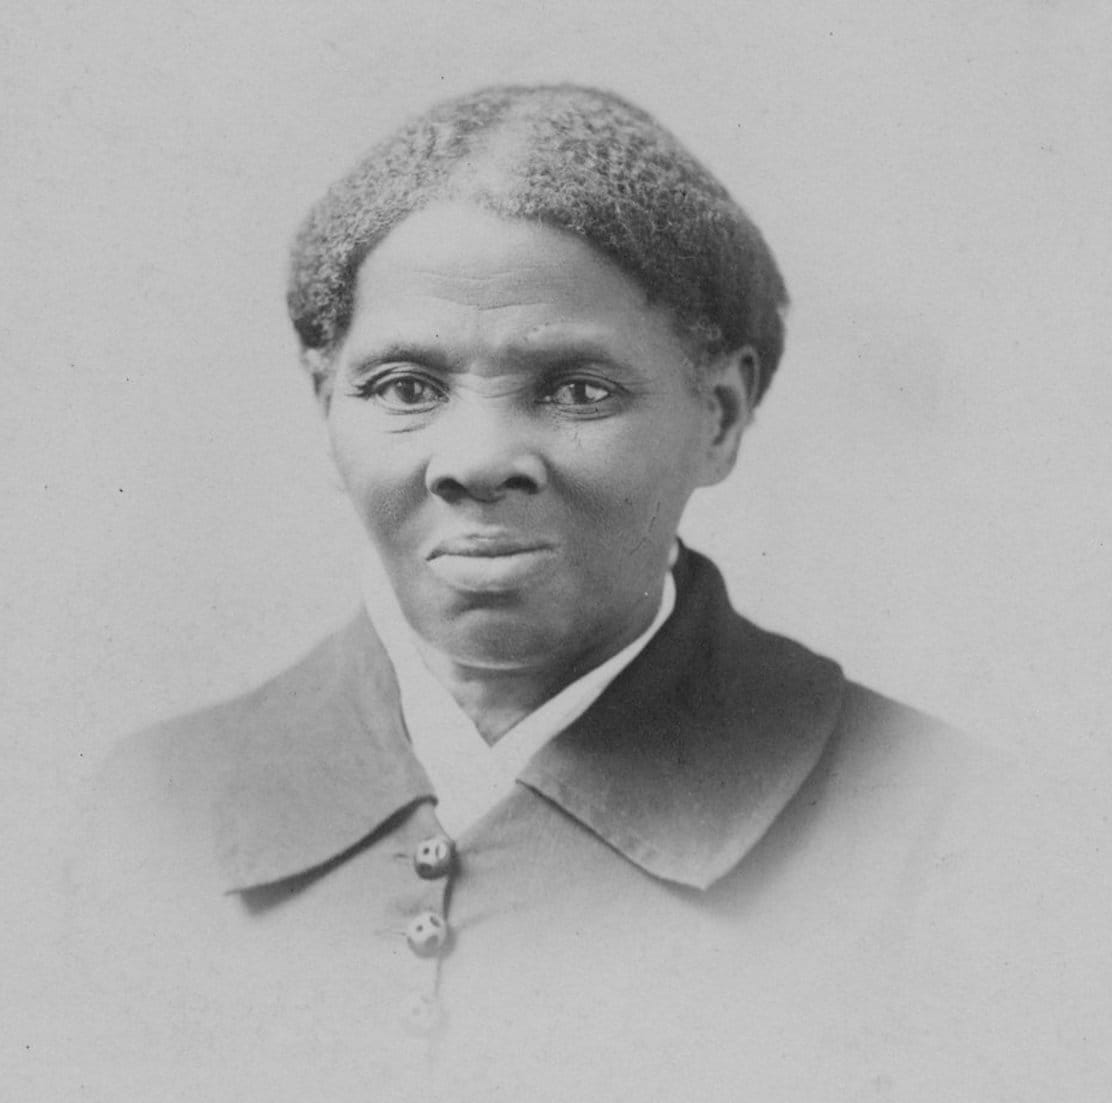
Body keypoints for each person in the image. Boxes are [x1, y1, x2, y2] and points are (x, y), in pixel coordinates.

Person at [71, 85, 1104, 1101]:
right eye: (405, 388)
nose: (476, 460)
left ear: (721, 416)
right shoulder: (156, 808)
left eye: (579, 389)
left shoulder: (942, 823)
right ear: (323, 402)